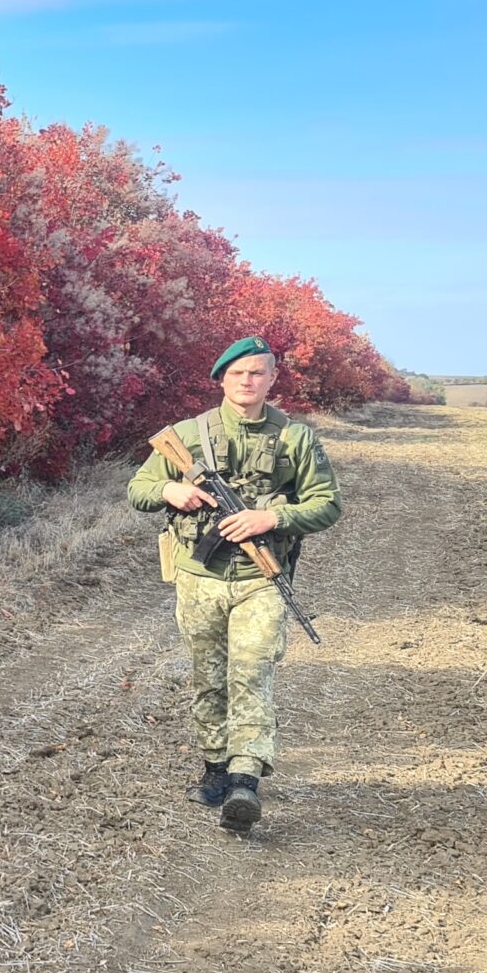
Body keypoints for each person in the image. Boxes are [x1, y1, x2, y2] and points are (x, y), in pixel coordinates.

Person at [127, 336, 341, 831]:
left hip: (261, 579)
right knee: (208, 675)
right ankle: (215, 767)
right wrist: (170, 489)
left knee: (252, 670)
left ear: (272, 379)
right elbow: (137, 489)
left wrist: (270, 518)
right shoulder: (187, 435)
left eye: (258, 373)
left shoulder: (296, 438)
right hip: (199, 578)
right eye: (239, 373)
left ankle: (246, 778)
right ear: (222, 378)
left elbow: (327, 504)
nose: (248, 381)